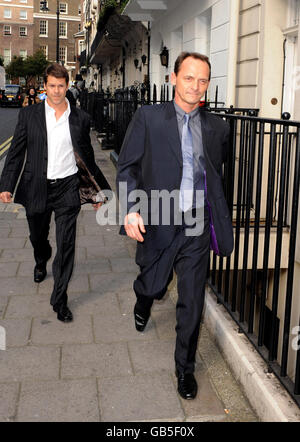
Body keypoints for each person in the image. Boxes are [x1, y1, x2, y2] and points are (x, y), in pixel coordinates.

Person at [116, 52, 234, 400]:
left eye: (202, 80)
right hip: (159, 219)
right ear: (173, 78)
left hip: (197, 224)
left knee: (192, 301)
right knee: (153, 284)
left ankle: (184, 369)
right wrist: (132, 208)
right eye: (189, 78)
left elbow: (215, 170)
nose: (195, 86)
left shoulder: (217, 127)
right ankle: (143, 299)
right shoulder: (148, 117)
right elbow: (127, 166)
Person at [0, 63, 110, 323]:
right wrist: (6, 185)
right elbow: (15, 152)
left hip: (68, 188)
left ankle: (59, 298)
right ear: (45, 86)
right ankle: (41, 257)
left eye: (61, 86)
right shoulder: (30, 116)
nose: (57, 91)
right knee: (37, 234)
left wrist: (97, 193)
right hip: (36, 186)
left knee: (67, 244)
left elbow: (88, 158)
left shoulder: (80, 118)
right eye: (52, 86)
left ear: (68, 86)